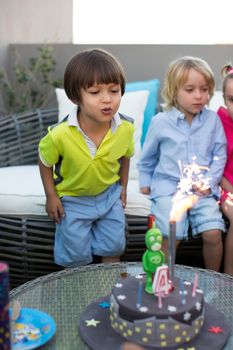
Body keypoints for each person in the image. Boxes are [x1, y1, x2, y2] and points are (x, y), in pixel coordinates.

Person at [38, 48, 134, 267]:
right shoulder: (60, 134)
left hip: (109, 197)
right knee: (75, 257)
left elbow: (126, 156)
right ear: (75, 97)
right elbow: (44, 161)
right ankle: (78, 296)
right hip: (72, 201)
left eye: (114, 90)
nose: (107, 100)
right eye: (94, 92)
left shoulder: (125, 129)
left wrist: (124, 187)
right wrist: (51, 196)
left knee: (113, 247)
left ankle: (109, 294)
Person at [138, 56, 227, 272]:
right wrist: (145, 181)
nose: (199, 95)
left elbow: (219, 154)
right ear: (173, 91)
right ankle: (164, 279)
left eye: (205, 89)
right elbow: (147, 157)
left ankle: (213, 279)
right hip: (169, 188)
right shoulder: (161, 122)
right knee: (172, 230)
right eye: (190, 89)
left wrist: (208, 182)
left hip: (202, 191)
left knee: (213, 232)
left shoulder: (212, 120)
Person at [217, 64, 233, 275]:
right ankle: (229, 279)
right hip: (224, 186)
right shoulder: (217, 122)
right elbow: (214, 167)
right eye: (232, 100)